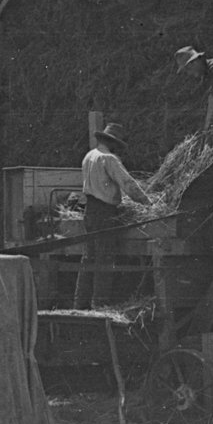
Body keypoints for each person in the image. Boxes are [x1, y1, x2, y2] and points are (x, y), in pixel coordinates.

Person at [75, 121, 150, 308]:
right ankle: (99, 305)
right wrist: (147, 202)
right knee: (105, 258)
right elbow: (128, 184)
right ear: (113, 142)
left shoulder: (88, 156)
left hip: (89, 211)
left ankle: (79, 304)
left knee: (88, 258)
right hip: (105, 212)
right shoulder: (110, 159)